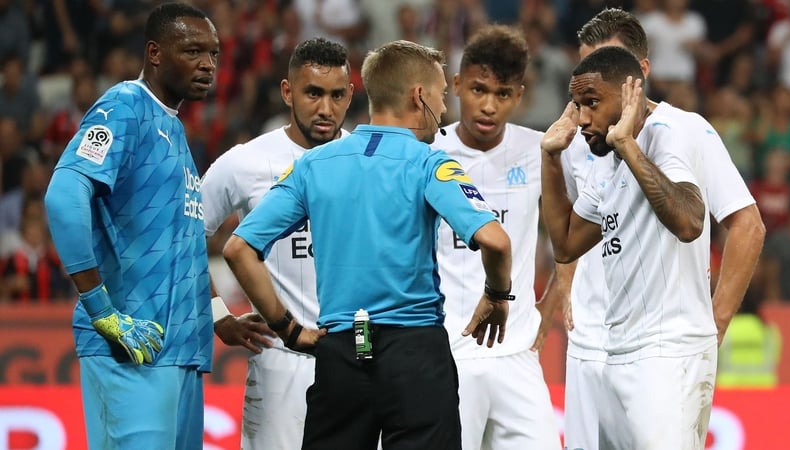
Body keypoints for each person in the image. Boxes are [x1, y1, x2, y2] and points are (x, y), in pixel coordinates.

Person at [223, 39, 513, 450]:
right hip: (415, 354)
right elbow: (496, 242)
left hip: (341, 353)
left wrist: (288, 330)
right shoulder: (430, 163)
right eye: (441, 95)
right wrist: (497, 295)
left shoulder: (312, 164)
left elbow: (238, 249)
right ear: (419, 96)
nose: (445, 109)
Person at [536, 8, 766, 450]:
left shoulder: (678, 131)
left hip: (666, 349)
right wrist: (550, 158)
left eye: (596, 91)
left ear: (636, 77)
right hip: (598, 346)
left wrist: (712, 324)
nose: (583, 111)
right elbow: (565, 244)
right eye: (581, 92)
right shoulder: (592, 145)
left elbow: (716, 223)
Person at [42, 3, 218, 448]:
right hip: (129, 349)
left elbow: (181, 244)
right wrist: (100, 310)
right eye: (193, 51)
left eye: (213, 53)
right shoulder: (126, 106)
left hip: (179, 355)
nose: (208, 64)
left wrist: (216, 315)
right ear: (155, 53)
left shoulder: (174, 129)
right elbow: (64, 194)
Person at [201, 37, 353, 449]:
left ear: (351, 94)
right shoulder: (245, 161)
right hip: (281, 362)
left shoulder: (367, 160)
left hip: (358, 359)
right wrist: (216, 314)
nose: (326, 109)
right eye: (313, 93)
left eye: (337, 95)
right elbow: (182, 238)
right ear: (288, 92)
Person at [432, 24, 561, 450]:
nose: (488, 106)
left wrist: (550, 304)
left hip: (517, 357)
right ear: (455, 85)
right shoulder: (427, 152)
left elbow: (574, 234)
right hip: (447, 356)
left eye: (502, 94)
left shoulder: (540, 150)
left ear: (519, 95)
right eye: (478, 89)